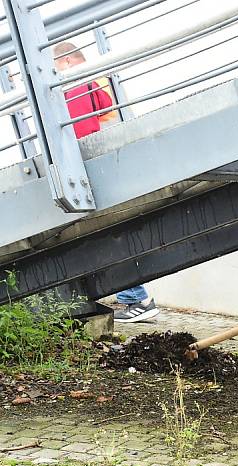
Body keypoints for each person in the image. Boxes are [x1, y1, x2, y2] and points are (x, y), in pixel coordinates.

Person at [53, 42, 160, 323]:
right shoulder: (98, 82)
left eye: (53, 67)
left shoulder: (77, 85)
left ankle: (136, 298)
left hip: (93, 170)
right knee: (112, 235)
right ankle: (135, 297)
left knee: (106, 236)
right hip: (113, 164)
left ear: (65, 63)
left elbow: (79, 134)